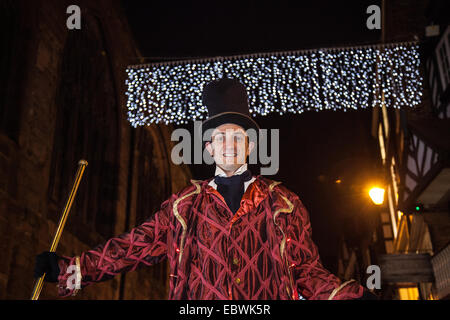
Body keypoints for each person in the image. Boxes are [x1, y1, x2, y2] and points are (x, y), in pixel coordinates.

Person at [35, 78, 376, 300]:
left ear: (251, 146)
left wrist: (355, 297)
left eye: (237, 137)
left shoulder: (284, 204)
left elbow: (306, 273)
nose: (229, 144)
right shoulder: (183, 208)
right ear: (209, 147)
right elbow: (133, 247)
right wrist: (73, 268)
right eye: (220, 137)